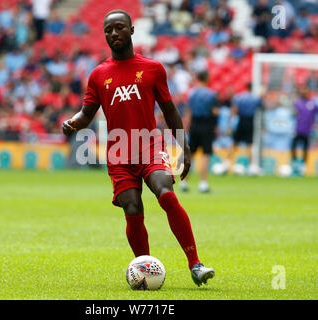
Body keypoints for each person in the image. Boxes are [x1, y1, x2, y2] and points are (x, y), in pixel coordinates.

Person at [62, 10, 214, 287]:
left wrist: (184, 147)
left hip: (150, 145)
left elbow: (169, 110)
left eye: (119, 28)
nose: (113, 34)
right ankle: (146, 270)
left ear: (132, 31)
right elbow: (86, 114)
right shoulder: (98, 75)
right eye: (108, 30)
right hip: (119, 152)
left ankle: (196, 264)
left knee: (165, 193)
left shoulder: (153, 68)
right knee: (132, 208)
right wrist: (72, 123)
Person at [180, 71, 219, 193]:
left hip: (194, 124)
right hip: (206, 125)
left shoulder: (192, 93)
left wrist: (187, 125)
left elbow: (188, 111)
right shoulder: (211, 94)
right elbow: (214, 111)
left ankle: (184, 182)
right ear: (207, 78)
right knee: (206, 154)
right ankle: (203, 183)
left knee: (191, 154)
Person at [224, 83, 262, 175]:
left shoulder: (239, 97)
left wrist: (230, 122)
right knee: (250, 144)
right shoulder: (256, 98)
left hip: (241, 121)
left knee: (234, 143)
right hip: (250, 121)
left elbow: (234, 110)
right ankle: (251, 166)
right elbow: (260, 109)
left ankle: (226, 163)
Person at [290, 86, 318, 175]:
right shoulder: (297, 103)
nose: (304, 92)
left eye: (306, 91)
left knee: (305, 149)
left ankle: (303, 167)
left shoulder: (312, 104)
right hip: (297, 130)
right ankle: (294, 164)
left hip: (307, 131)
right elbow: (292, 114)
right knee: (293, 148)